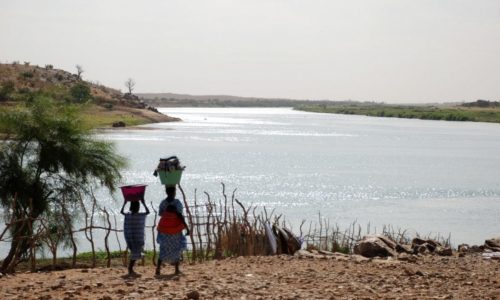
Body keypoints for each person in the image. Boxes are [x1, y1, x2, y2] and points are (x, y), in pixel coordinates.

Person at [156, 186, 190, 276]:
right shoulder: (177, 203)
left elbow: (160, 214)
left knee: (163, 247)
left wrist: (167, 215)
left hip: (164, 229)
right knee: (177, 247)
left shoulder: (163, 203)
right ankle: (176, 270)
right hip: (175, 229)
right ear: (174, 192)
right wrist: (186, 227)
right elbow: (180, 215)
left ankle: (158, 269)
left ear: (166, 192)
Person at [120, 198, 149, 276]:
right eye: (138, 207)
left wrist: (124, 203)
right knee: (135, 253)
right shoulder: (140, 215)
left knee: (135, 252)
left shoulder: (128, 215)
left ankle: (131, 269)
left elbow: (121, 212)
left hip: (130, 238)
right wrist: (144, 203)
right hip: (138, 238)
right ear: (138, 207)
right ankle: (130, 269)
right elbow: (148, 212)